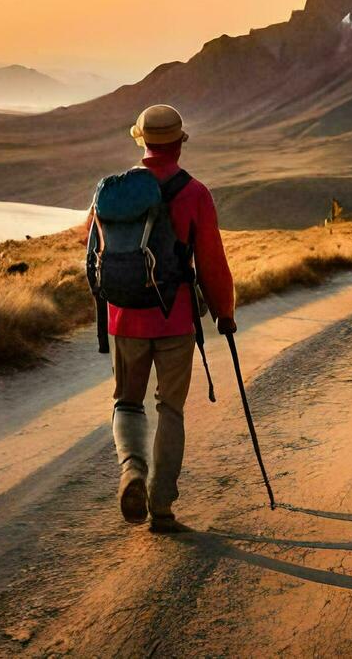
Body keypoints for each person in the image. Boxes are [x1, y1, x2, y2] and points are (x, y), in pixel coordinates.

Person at [91, 104, 235, 533]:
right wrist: (224, 312)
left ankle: (132, 470)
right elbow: (211, 261)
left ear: (143, 142)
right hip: (175, 320)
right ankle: (162, 505)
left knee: (127, 402)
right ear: (178, 144)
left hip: (124, 316)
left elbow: (93, 246)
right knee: (170, 409)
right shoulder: (195, 193)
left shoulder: (113, 190)